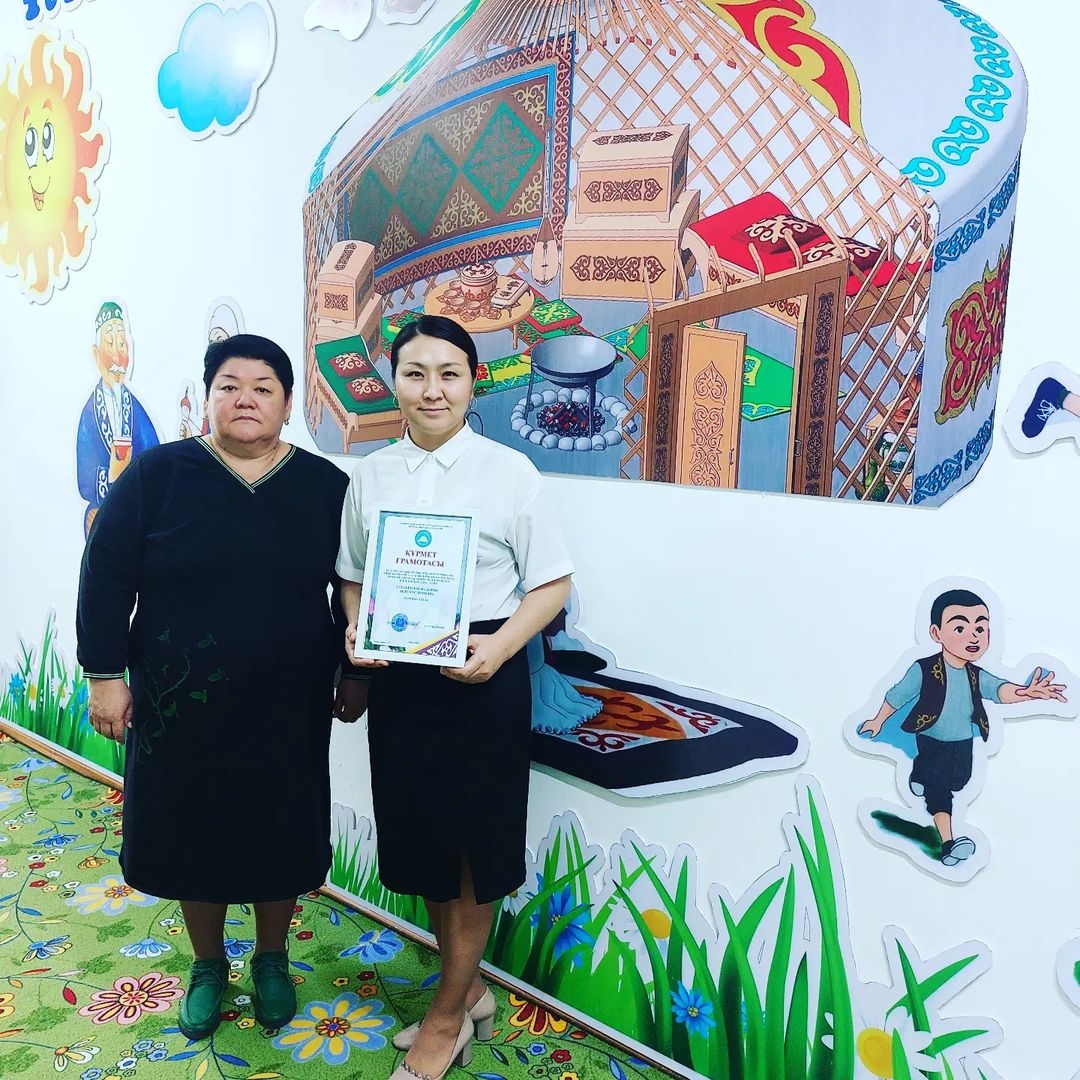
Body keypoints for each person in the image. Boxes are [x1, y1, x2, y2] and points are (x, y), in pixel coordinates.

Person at [76, 334, 353, 1041]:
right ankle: (207, 964)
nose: (245, 399)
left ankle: (271, 957)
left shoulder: (326, 487)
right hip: (179, 703)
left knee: (279, 829)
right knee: (188, 828)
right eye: (229, 385)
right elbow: (105, 576)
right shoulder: (159, 476)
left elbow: (355, 589)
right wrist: (104, 676)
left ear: (287, 405)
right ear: (208, 398)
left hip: (288, 705)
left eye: (263, 388)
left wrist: (354, 674)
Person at [335, 315, 573, 1080]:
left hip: (483, 675)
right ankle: (468, 992)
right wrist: (355, 628)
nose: (431, 389)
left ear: (473, 382)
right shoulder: (371, 475)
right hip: (403, 680)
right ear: (394, 383)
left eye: (449, 373)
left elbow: (552, 583)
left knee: (475, 850)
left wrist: (500, 650)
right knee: (426, 843)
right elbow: (351, 575)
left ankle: (445, 1018)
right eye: (415, 373)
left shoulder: (510, 473)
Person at [859, 588, 1066, 866]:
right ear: (936, 633)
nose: (973, 636)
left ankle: (919, 775)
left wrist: (1026, 693)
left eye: (980, 628)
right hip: (931, 738)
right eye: (960, 627)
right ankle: (949, 844)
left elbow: (999, 690)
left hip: (963, 742)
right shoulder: (924, 669)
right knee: (940, 791)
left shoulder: (975, 675)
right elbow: (897, 695)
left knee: (961, 780)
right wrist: (877, 720)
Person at [76, 300, 159, 538]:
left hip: (139, 506)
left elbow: (156, 455)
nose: (117, 356)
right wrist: (112, 475)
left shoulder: (135, 408)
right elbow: (85, 481)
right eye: (110, 344)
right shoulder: (90, 413)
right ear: (96, 354)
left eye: (122, 344)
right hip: (108, 510)